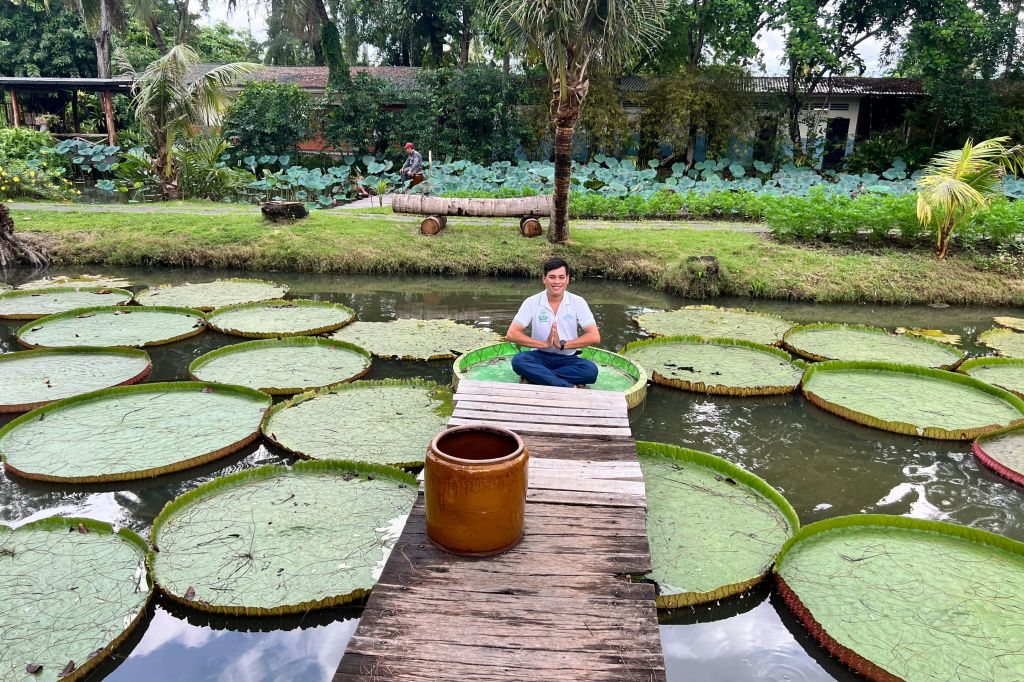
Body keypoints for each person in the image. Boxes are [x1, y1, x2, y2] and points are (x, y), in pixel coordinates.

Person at [506, 258, 601, 388]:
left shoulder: (578, 302)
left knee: (590, 371)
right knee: (519, 361)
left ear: (567, 279)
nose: (557, 282)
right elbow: (512, 334)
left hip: (568, 359)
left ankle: (536, 377)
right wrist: (545, 344)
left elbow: (594, 336)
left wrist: (562, 344)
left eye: (561, 277)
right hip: (539, 356)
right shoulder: (531, 302)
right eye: (552, 277)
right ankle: (568, 386)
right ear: (544, 279)